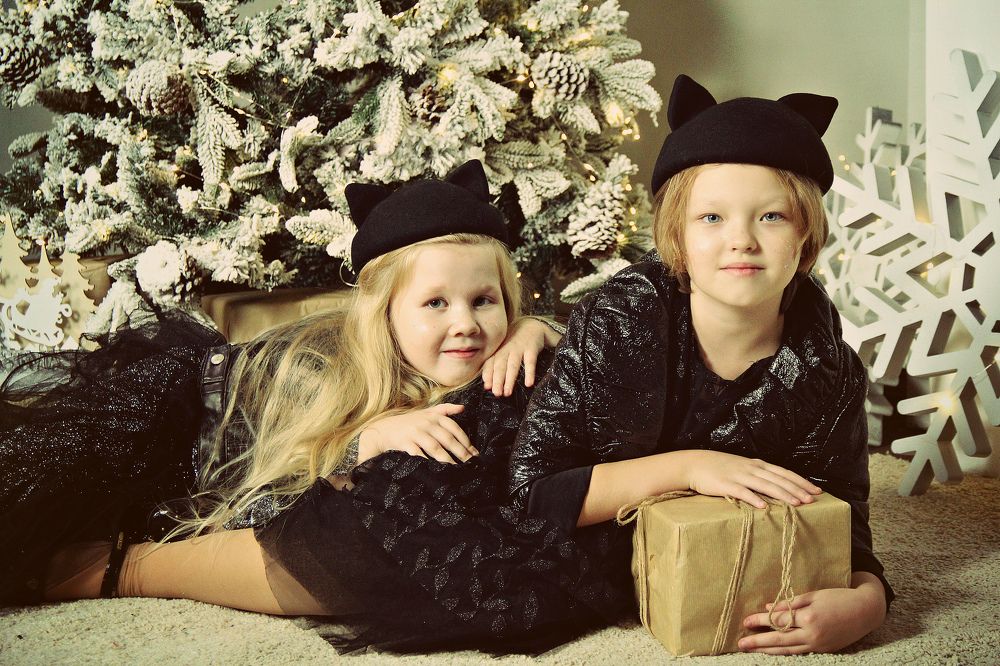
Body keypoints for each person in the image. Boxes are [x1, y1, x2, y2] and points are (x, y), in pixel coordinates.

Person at [0, 159, 624, 654]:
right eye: (436, 303)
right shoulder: (321, 375)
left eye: (485, 301)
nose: (466, 323)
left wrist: (539, 328)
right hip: (190, 432)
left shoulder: (507, 360)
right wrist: (364, 443)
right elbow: (268, 516)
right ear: (385, 316)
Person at [510, 75, 895, 656]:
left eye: (772, 217)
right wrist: (690, 467)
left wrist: (870, 600)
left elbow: (841, 512)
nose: (742, 240)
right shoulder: (618, 321)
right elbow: (534, 496)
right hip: (514, 456)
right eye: (711, 218)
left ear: (805, 236)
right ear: (677, 236)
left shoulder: (827, 369)